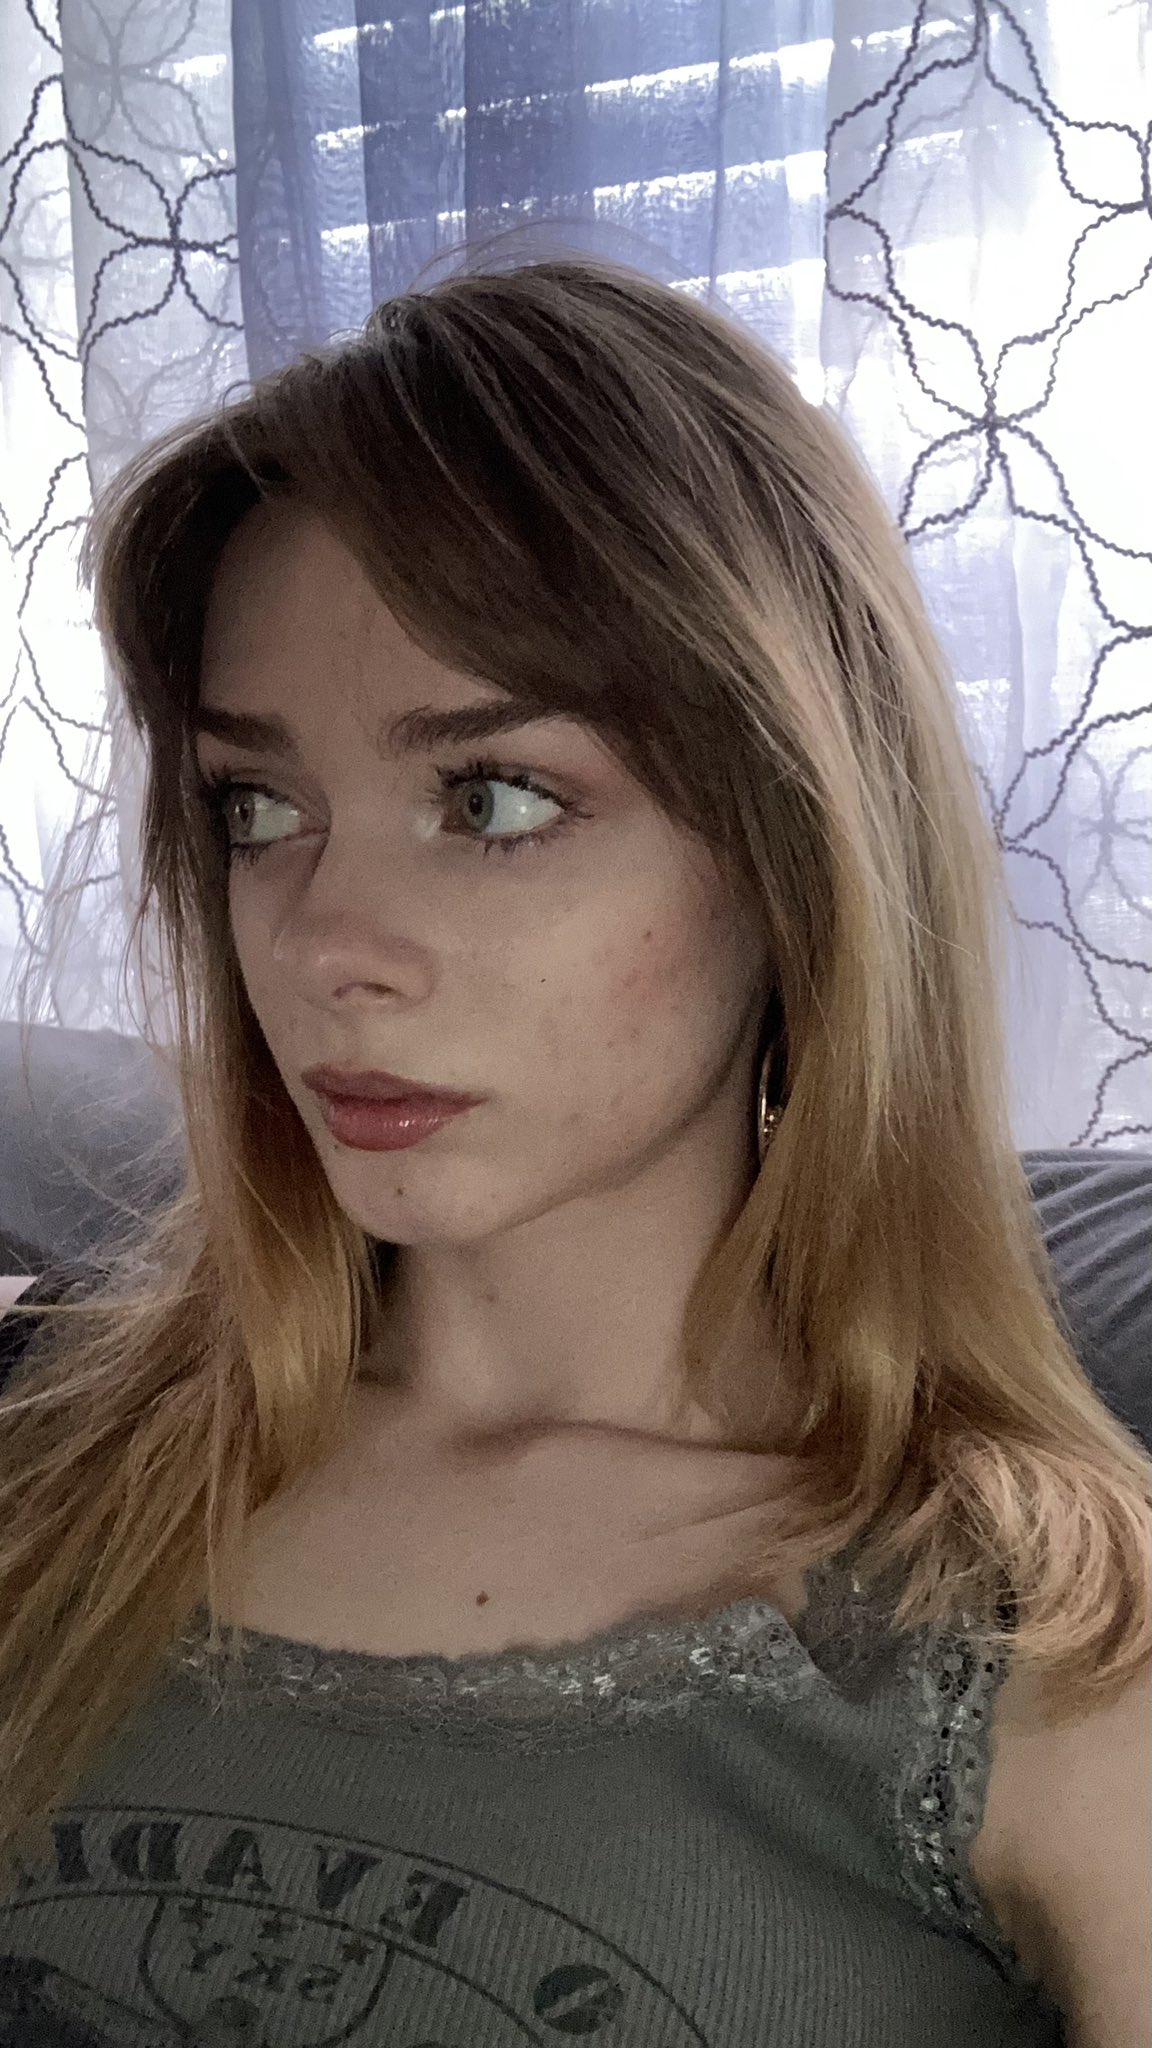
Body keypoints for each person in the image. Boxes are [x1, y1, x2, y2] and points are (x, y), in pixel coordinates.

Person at [0, 249, 1147, 2046]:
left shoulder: (1058, 1664)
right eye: (258, 807)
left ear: (792, 843)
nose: (324, 941)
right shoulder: (55, 1465)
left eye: (494, 797)